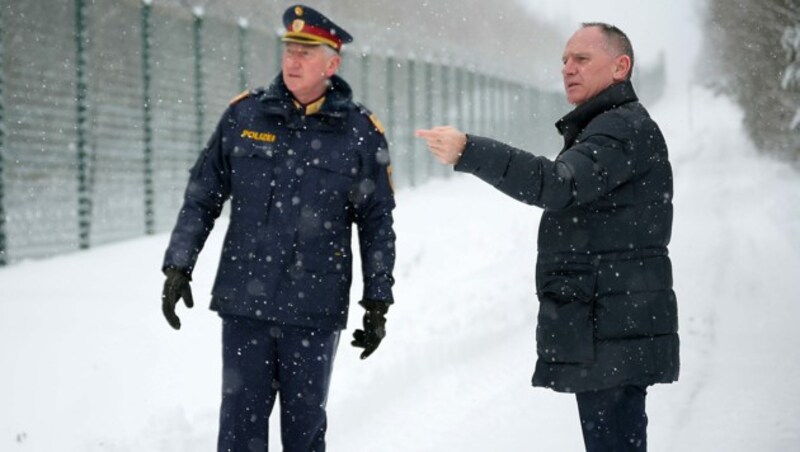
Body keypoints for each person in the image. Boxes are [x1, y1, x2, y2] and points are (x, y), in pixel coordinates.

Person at [416, 23, 678, 452]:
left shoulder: (620, 130)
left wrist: (469, 151)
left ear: (620, 66)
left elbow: (557, 185)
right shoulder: (607, 126)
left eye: (581, 59)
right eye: (564, 60)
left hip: (613, 324)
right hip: (610, 322)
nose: (568, 69)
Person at [160, 5, 396, 451]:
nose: (293, 60)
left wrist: (378, 298)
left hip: (313, 308)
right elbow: (202, 195)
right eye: (289, 49)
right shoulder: (244, 117)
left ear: (333, 63)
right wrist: (178, 264)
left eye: (307, 52)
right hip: (245, 301)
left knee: (303, 434)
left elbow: (376, 223)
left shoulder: (360, 134)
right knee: (237, 434)